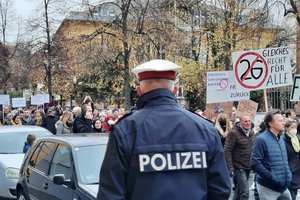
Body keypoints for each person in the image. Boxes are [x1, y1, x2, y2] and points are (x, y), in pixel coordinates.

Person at [97, 59, 231, 200]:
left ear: (139, 91)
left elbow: (110, 194)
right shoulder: (205, 129)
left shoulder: (125, 130)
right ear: (175, 90)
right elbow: (221, 189)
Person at [251, 109, 292, 200]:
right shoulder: (261, 139)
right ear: (270, 123)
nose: (283, 123)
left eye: (283, 120)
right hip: (268, 188)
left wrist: (288, 174)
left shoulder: (280, 139)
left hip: (283, 187)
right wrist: (271, 176)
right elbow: (255, 163)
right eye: (280, 121)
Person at [224, 113, 256, 200]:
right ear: (240, 122)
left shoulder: (252, 133)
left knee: (239, 191)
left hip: (248, 165)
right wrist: (230, 167)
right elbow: (227, 150)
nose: (248, 123)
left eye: (249, 121)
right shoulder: (233, 133)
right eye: (245, 121)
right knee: (245, 192)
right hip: (238, 166)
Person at [282, 119, 300, 200]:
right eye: (292, 127)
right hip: (289, 171)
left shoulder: (296, 139)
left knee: (294, 194)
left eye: (295, 127)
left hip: (296, 171)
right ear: (286, 128)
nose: (294, 129)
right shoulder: (283, 140)